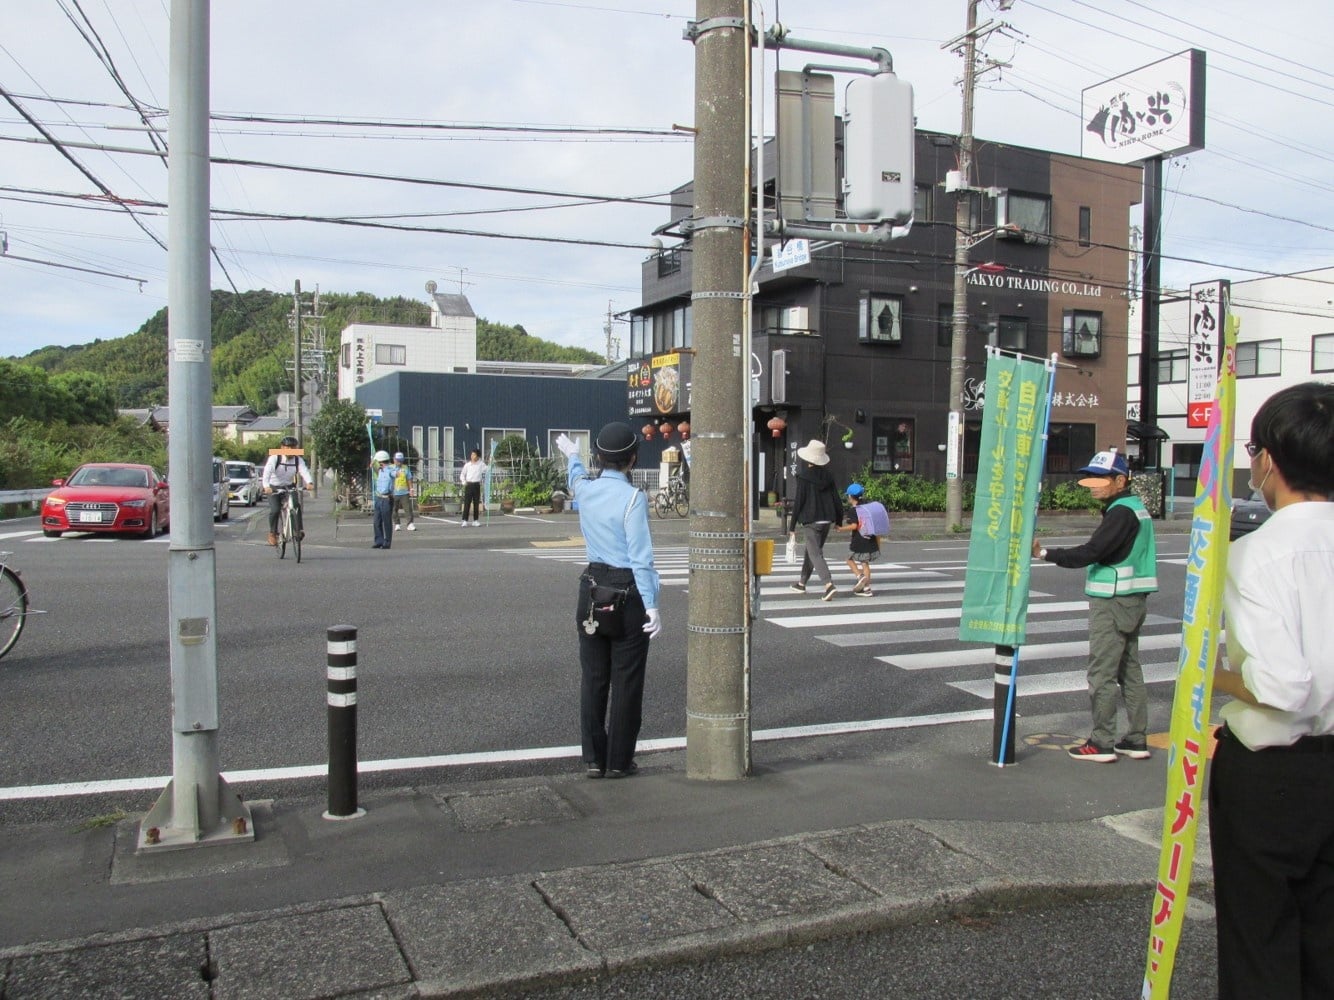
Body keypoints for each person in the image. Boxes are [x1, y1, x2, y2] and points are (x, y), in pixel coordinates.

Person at [1209, 382, 1334, 999]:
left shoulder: (1253, 555)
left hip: (1272, 776)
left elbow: (1284, 686)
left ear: (1269, 461)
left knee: (1261, 943)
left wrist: (1213, 676)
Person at [1031, 447, 1157, 763]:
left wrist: (1045, 554)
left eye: (1099, 478)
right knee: (1130, 669)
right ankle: (1136, 739)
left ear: (1120, 480)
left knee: (1102, 673)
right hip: (1134, 599)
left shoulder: (1120, 513)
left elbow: (1092, 552)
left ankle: (1102, 742)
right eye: (1090, 478)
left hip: (1113, 600)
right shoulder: (1134, 508)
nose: (1093, 484)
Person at [555, 424, 661, 779]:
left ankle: (594, 758)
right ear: (633, 459)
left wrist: (571, 453)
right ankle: (618, 760)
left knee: (594, 678)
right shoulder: (633, 498)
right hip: (627, 592)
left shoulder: (585, 491)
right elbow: (640, 558)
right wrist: (652, 604)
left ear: (599, 458)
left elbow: (576, 475)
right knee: (626, 680)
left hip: (592, 588)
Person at [787, 439, 843, 601]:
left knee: (815, 553)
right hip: (826, 520)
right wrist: (839, 520)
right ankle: (802, 583)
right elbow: (837, 500)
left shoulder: (804, 477)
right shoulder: (829, 477)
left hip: (811, 521)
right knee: (811, 552)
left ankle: (828, 585)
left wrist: (792, 526)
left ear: (808, 458)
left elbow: (799, 502)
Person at [834, 483, 890, 597]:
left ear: (850, 496)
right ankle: (867, 588)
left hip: (859, 540)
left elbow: (855, 526)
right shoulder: (867, 507)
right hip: (870, 539)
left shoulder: (854, 510)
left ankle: (860, 577)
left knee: (849, 559)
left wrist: (841, 529)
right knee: (865, 564)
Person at [261, 435, 313, 546]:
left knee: (296, 505)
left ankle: (298, 530)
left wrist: (309, 482)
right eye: (287, 447)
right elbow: (266, 473)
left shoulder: (298, 460)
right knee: (275, 510)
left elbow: (304, 471)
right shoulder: (275, 458)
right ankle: (273, 533)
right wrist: (266, 486)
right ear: (282, 448)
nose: (290, 450)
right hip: (273, 487)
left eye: (293, 448)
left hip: (289, 486)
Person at [370, 450, 394, 549]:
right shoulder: (380, 470)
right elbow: (373, 467)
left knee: (387, 521)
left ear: (381, 462)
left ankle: (387, 542)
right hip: (379, 498)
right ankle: (378, 540)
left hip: (387, 498)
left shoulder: (391, 471)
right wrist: (372, 461)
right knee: (377, 521)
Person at [459, 448, 485, 526]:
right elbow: (462, 474)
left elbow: (487, 470)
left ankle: (475, 520)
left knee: (476, 503)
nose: (472, 456)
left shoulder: (481, 464)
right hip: (469, 485)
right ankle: (464, 520)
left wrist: (491, 462)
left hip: (476, 485)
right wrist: (464, 482)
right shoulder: (467, 465)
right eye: (472, 454)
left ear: (478, 456)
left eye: (474, 454)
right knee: (467, 503)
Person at [391, 452, 415, 531]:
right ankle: (397, 524)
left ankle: (410, 524)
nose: (399, 462)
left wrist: (411, 489)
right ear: (394, 460)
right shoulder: (390, 467)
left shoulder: (405, 468)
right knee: (394, 509)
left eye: (401, 460)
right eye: (398, 460)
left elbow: (409, 478)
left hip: (404, 492)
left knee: (408, 509)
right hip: (393, 492)